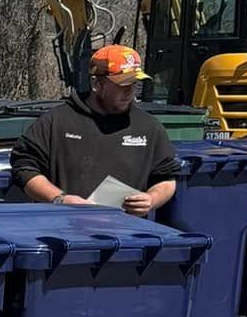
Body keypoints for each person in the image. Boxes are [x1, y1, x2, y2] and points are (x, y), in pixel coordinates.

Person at [11, 45, 177, 214]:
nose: (129, 91)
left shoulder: (149, 127)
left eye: (134, 83)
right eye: (122, 83)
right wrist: (59, 199)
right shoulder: (58, 121)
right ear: (97, 83)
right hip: (64, 229)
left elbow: (167, 178)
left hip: (126, 234)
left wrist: (151, 199)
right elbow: (24, 167)